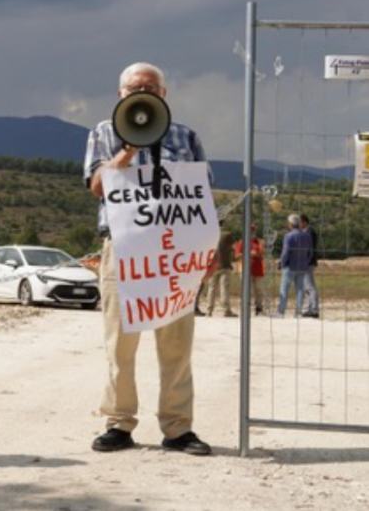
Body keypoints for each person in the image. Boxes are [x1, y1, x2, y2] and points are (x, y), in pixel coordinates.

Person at [84, 62, 212, 456]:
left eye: (151, 88)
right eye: (135, 88)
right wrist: (129, 148)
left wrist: (202, 256)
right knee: (119, 343)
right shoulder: (104, 133)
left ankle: (177, 428)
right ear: (121, 94)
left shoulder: (186, 136)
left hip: (173, 253)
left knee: (176, 344)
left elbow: (200, 196)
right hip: (123, 250)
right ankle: (119, 423)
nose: (143, 93)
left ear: (164, 94)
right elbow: (97, 187)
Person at [276, 214, 312, 317]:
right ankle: (298, 312)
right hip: (302, 266)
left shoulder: (288, 236)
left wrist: (281, 263)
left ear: (290, 224)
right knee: (300, 289)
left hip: (290, 266)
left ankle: (281, 311)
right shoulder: (307, 236)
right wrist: (306, 262)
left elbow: (286, 252)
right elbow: (310, 252)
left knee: (284, 289)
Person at [233, 223, 266, 315]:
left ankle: (259, 308)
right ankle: (245, 308)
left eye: (253, 230)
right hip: (245, 269)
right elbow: (236, 256)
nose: (252, 232)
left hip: (258, 269)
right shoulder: (241, 242)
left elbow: (262, 254)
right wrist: (248, 253)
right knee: (247, 290)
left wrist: (257, 253)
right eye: (251, 230)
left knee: (259, 290)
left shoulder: (259, 242)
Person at [205, 228, 237, 317]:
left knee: (211, 288)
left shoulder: (210, 234)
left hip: (213, 265)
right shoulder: (227, 234)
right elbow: (232, 249)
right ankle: (226, 310)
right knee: (224, 289)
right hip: (225, 265)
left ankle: (209, 310)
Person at [299, 214, 320, 317]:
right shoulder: (306, 232)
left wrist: (305, 261)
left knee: (310, 286)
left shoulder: (310, 232)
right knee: (306, 286)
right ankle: (308, 308)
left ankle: (314, 309)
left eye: (300, 222)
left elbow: (309, 249)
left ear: (304, 222)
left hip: (308, 262)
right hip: (305, 262)